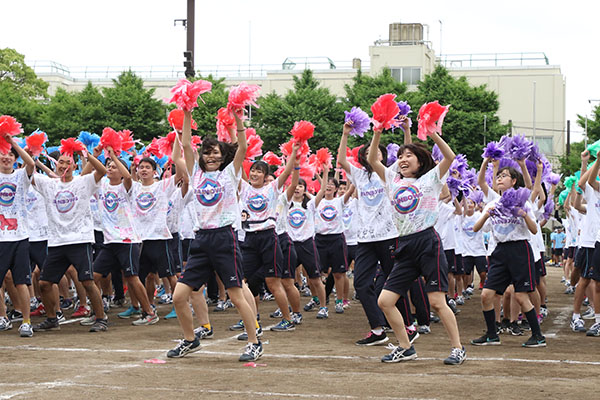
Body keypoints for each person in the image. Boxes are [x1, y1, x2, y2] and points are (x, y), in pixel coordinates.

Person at [367, 122, 465, 365]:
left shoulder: (431, 179)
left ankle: (457, 348)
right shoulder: (393, 179)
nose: (402, 159)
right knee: (385, 301)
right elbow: (372, 158)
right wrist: (378, 130)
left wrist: (431, 132)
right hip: (404, 245)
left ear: (421, 161)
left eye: (409, 155)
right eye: (400, 156)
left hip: (427, 242)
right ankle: (405, 347)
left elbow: (450, 156)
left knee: (436, 302)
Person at [168, 109, 262, 361]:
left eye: (215, 153)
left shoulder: (230, 173)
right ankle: (190, 340)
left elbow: (242, 145)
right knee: (179, 296)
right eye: (207, 152)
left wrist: (239, 118)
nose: (210, 156)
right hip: (201, 240)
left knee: (235, 294)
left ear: (223, 157)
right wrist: (187, 110)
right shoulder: (196, 173)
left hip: (224, 238)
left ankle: (254, 342)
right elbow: (186, 143)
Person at [32, 145, 108, 333]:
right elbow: (28, 172)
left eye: (68, 162)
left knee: (87, 281)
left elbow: (102, 170)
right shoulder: (49, 184)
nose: (63, 165)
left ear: (74, 167)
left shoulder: (83, 182)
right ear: (55, 164)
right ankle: (52, 318)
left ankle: (101, 318)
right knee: (44, 283)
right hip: (57, 242)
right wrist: (30, 152)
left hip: (79, 240)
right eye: (60, 162)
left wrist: (88, 155)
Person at [471, 166, 546, 348]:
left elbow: (534, 229)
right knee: (486, 295)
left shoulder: (523, 202)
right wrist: (486, 214)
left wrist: (522, 214)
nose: (499, 178)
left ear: (513, 182)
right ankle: (491, 334)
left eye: (504, 176)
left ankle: (538, 336)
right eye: (498, 175)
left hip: (520, 250)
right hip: (499, 252)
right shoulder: (493, 204)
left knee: (521, 295)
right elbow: (476, 228)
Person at [92, 146, 159, 326]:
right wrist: (91, 156)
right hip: (109, 241)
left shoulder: (127, 187)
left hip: (127, 240)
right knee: (93, 276)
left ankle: (149, 312)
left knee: (132, 277)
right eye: (108, 165)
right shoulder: (101, 185)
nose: (109, 168)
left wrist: (114, 155)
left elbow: (128, 177)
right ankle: (97, 311)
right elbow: (88, 175)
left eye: (114, 166)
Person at [0, 135, 35, 337]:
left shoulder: (21, 176)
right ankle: (3, 317)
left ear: (15, 158)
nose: (6, 157)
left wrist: (13, 143)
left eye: (10, 155)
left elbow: (30, 163)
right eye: (3, 153)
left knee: (21, 281)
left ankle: (26, 321)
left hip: (19, 236)